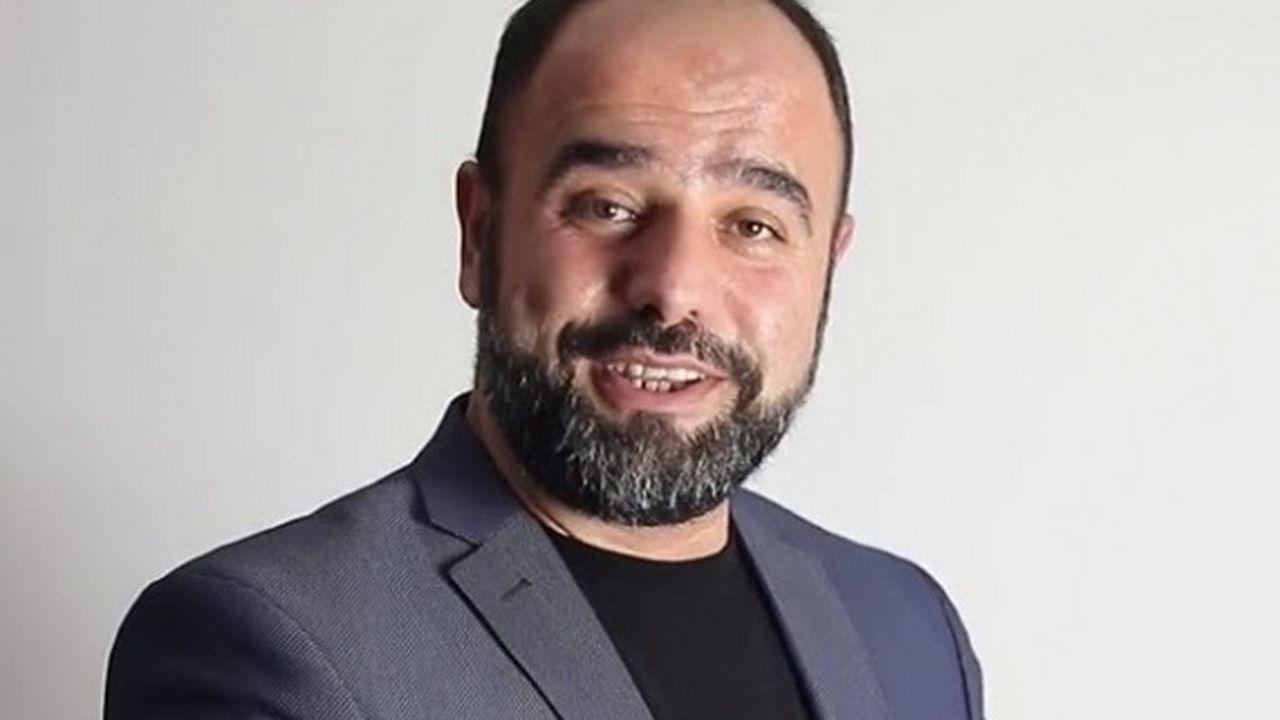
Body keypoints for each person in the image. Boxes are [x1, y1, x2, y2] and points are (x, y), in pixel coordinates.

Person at [105, 0, 984, 718]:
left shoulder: (907, 627)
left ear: (827, 263)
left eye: (754, 225)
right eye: (607, 206)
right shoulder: (265, 645)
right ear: (478, 233)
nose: (672, 290)